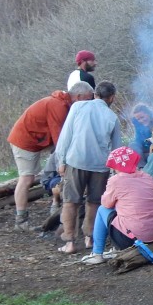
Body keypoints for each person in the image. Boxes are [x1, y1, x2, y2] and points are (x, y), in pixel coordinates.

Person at [6, 82, 95, 231]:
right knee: (26, 178)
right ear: (78, 97)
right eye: (88, 99)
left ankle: (56, 205)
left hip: (38, 139)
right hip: (25, 140)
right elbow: (60, 139)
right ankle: (21, 220)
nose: (90, 103)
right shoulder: (58, 106)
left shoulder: (64, 104)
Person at [53, 80, 122, 253]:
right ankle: (89, 238)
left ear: (96, 94)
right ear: (112, 97)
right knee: (95, 202)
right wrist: (116, 172)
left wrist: (60, 161)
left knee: (70, 201)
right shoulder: (112, 117)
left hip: (76, 160)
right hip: (100, 165)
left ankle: (69, 242)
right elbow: (116, 149)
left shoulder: (78, 107)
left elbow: (65, 136)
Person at [81, 146, 153, 265]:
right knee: (128, 208)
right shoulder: (148, 177)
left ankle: (97, 253)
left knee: (102, 210)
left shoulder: (116, 180)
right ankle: (115, 249)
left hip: (134, 237)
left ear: (116, 166)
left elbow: (106, 203)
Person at [129, 103, 153, 168]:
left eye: (142, 117)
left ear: (148, 114)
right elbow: (138, 140)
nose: (141, 120)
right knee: (133, 145)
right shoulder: (138, 125)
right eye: (138, 119)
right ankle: (143, 168)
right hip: (148, 152)